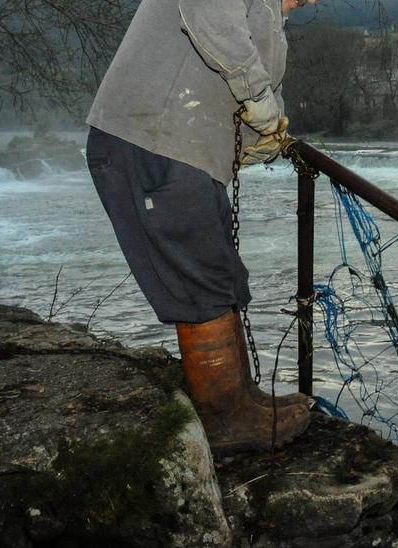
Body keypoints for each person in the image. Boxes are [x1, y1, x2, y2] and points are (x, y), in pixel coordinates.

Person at [85, 0, 318, 454]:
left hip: (179, 148)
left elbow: (258, 83)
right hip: (152, 139)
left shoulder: (270, 13)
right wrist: (257, 99)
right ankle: (221, 417)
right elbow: (210, 17)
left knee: (217, 272)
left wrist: (266, 132)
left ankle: (239, 400)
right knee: (199, 277)